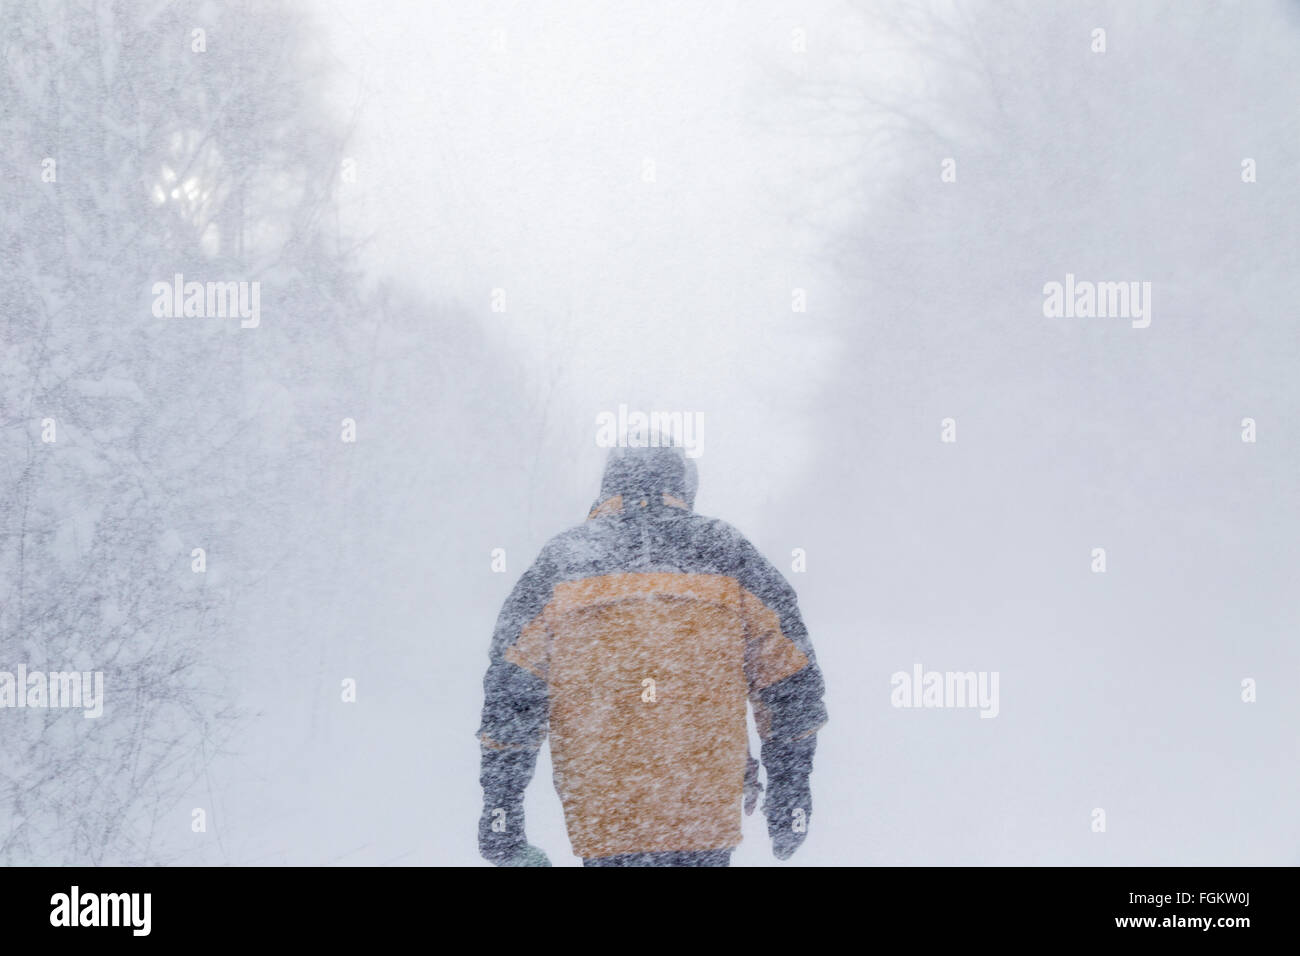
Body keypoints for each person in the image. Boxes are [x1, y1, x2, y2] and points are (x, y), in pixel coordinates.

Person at [476, 444, 827, 866]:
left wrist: (502, 814)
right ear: (683, 487)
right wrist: (791, 792)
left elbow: (512, 689)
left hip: (604, 811)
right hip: (701, 809)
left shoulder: (564, 560)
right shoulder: (725, 551)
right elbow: (790, 679)